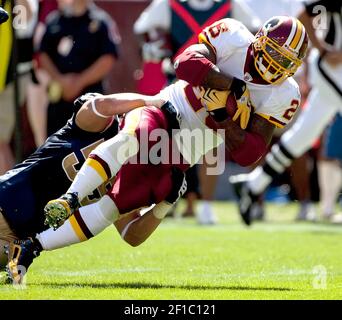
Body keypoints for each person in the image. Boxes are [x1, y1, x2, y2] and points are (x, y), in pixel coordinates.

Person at [7, 16, 308, 282]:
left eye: (285, 63)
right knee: (134, 138)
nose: (275, 65)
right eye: (273, 53)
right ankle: (70, 198)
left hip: (184, 152)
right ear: (259, 41)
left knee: (117, 205)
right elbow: (185, 63)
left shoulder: (284, 94)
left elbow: (248, 154)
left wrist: (223, 117)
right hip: (168, 109)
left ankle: (32, 248)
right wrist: (230, 86)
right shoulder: (234, 36)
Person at [0, 92, 171, 275]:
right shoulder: (94, 125)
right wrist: (150, 101)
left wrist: (164, 205)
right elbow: (100, 104)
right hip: (6, 202)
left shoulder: (129, 170)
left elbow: (131, 234)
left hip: (17, 239)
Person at [230, 0, 342, 225]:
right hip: (333, 67)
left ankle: (253, 185)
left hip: (334, 70)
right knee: (302, 135)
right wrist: (322, 49)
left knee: (302, 136)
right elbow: (305, 15)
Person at [39, 0, 120, 135]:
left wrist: (79, 81)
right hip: (59, 100)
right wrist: (61, 80)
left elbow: (108, 57)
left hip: (91, 99)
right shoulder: (55, 20)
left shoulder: (101, 21)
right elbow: (43, 54)